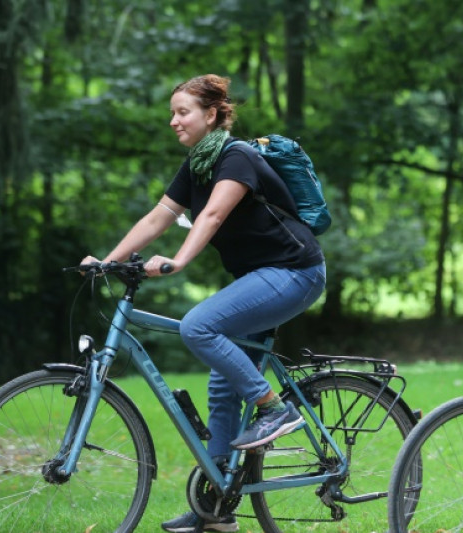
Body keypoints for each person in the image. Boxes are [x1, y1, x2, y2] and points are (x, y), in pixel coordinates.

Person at [81, 74, 326, 533]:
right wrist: (107, 261)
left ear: (211, 115)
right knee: (221, 386)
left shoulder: (236, 157)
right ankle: (216, 509)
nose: (173, 121)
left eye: (183, 112)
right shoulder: (197, 164)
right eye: (172, 113)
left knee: (199, 326)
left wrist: (177, 261)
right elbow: (159, 216)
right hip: (261, 278)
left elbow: (212, 215)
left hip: (295, 271)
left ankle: (275, 409)